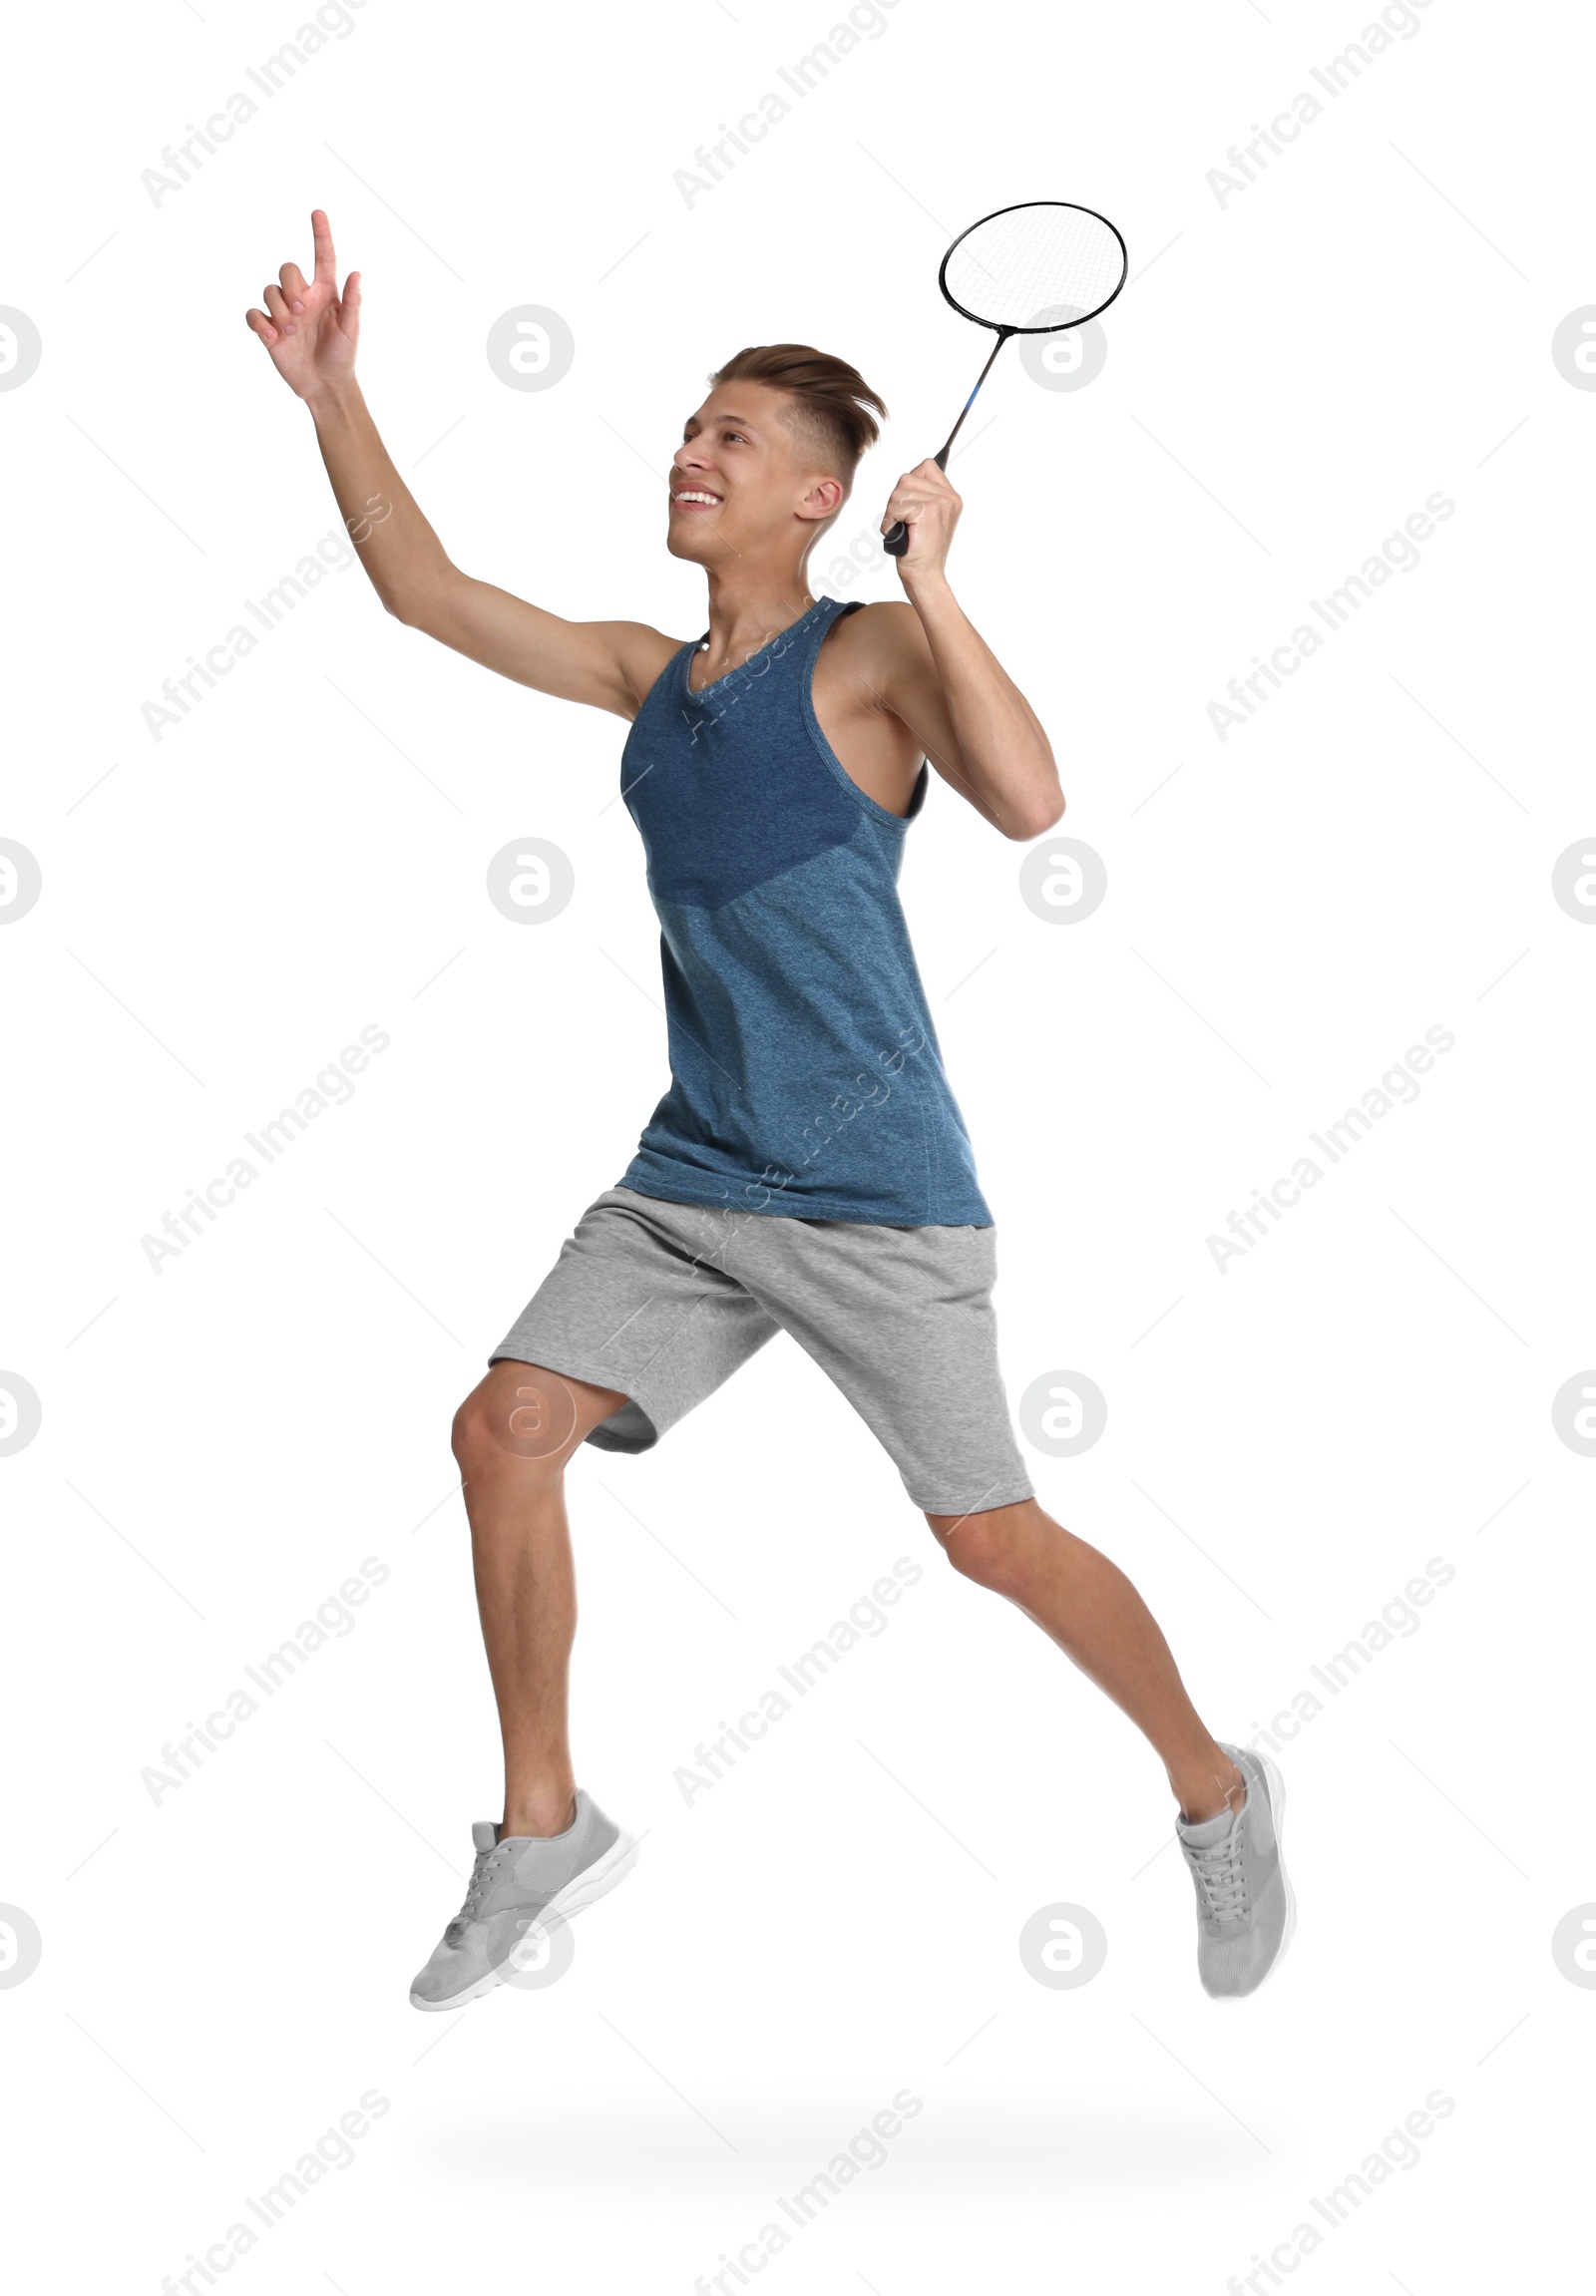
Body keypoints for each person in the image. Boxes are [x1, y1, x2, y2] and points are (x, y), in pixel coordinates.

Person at [245, 210, 1294, 2011]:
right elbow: (426, 592)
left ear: (820, 498)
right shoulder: (647, 679)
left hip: (876, 1191)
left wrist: (943, 583)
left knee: (991, 1542)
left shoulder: (874, 658)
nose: (692, 450)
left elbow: (1035, 803)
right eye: (689, 424)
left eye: (733, 435)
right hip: (696, 1177)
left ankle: (1213, 1784)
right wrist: (335, 397)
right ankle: (540, 1821)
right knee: (504, 1427)